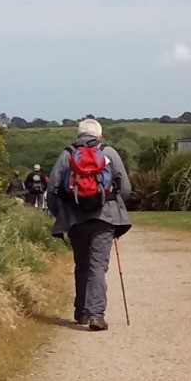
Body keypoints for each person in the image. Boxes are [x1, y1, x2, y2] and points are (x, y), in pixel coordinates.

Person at [47, 119, 132, 331]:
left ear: (78, 135)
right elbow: (125, 188)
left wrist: (62, 216)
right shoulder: (109, 152)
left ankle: (82, 311)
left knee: (82, 263)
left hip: (75, 220)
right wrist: (113, 205)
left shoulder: (67, 155)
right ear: (99, 136)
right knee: (97, 266)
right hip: (105, 219)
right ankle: (96, 316)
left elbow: (52, 190)